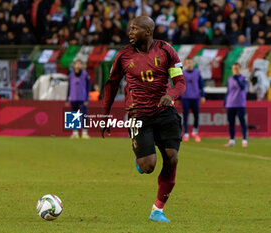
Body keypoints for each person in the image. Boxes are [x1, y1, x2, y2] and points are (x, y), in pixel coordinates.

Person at [101, 16, 186, 222]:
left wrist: (171, 95)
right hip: (138, 114)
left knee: (172, 158)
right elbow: (111, 85)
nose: (129, 32)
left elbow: (180, 82)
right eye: (129, 28)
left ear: (147, 32)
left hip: (165, 112)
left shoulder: (166, 50)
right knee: (148, 166)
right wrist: (104, 115)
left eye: (134, 29)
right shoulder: (122, 56)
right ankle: (141, 157)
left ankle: (157, 210)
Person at [181, 58, 206, 142]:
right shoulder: (182, 73)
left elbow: (201, 84)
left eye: (190, 62)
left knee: (196, 115)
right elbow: (179, 85)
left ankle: (195, 131)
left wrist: (202, 95)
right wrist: (178, 97)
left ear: (193, 63)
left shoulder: (197, 72)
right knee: (185, 115)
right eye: (187, 62)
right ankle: (186, 133)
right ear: (185, 63)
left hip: (195, 97)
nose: (189, 64)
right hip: (185, 97)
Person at [224, 63, 248, 147]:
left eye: (237, 68)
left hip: (240, 104)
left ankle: (244, 140)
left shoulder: (244, 78)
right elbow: (228, 91)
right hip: (230, 104)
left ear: (240, 69)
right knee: (231, 123)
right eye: (234, 68)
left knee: (242, 122)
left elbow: (242, 87)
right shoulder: (230, 79)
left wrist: (237, 79)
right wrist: (225, 103)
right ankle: (232, 140)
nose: (235, 70)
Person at [66, 59, 91, 139]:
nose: (78, 65)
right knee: (73, 116)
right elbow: (69, 87)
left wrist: (87, 99)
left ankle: (84, 133)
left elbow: (88, 87)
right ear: (74, 65)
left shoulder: (85, 75)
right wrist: (67, 98)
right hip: (73, 98)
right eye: (76, 64)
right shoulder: (71, 75)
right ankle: (75, 133)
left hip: (82, 98)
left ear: (82, 66)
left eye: (80, 64)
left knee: (84, 116)